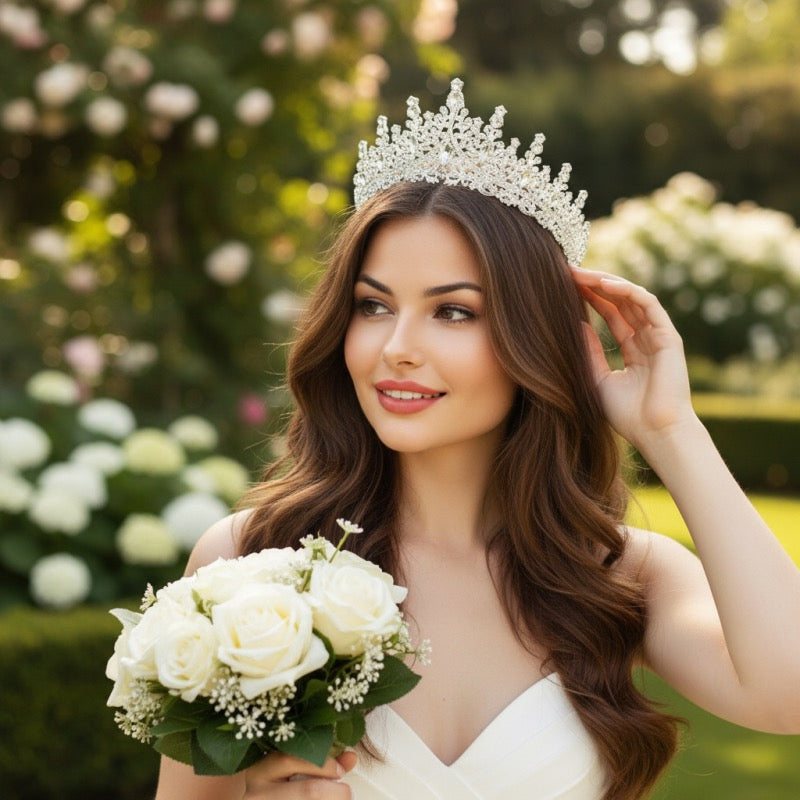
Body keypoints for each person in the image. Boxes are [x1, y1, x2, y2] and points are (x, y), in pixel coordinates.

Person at [154, 79, 800, 800]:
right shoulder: (251, 568)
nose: (396, 347)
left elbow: (787, 693)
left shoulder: (622, 575)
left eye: (453, 313)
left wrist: (671, 431)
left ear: (533, 336)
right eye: (373, 305)